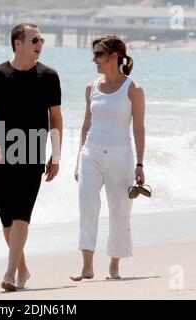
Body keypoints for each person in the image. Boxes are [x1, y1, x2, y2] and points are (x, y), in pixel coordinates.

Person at [0, 23, 63, 291]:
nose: (40, 43)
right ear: (18, 43)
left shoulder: (49, 76)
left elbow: (56, 118)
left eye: (42, 40)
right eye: (35, 39)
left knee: (21, 216)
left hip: (33, 151)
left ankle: (10, 273)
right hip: (0, 154)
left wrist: (56, 155)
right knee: (7, 220)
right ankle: (23, 269)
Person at [71, 35, 146, 281]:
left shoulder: (133, 89)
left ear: (114, 57)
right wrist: (77, 160)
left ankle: (114, 265)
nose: (94, 60)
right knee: (87, 208)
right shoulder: (91, 87)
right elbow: (85, 125)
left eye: (98, 55)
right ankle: (87, 266)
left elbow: (139, 129)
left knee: (119, 210)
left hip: (120, 155)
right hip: (90, 154)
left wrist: (140, 164)